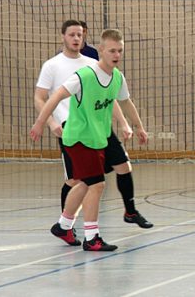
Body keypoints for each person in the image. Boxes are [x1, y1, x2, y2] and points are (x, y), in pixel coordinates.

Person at [34, 20, 153, 229]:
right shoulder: (53, 65)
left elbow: (111, 98)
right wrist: (48, 123)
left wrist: (126, 124)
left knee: (121, 168)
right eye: (72, 34)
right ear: (63, 36)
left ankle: (130, 212)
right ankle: (68, 226)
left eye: (80, 34)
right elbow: (42, 97)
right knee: (79, 181)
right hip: (73, 129)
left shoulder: (95, 65)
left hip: (99, 130)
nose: (76, 38)